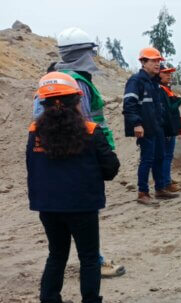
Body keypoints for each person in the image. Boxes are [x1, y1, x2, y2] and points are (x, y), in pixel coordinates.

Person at [33, 27, 125, 278]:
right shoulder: (74, 84)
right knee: (84, 221)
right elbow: (81, 127)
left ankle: (52, 298)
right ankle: (95, 266)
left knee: (59, 237)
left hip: (51, 163)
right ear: (83, 53)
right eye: (90, 52)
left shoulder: (50, 82)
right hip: (77, 160)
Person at [28, 72, 120, 303]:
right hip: (82, 205)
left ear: (43, 103)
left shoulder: (35, 131)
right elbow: (110, 168)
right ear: (76, 100)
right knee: (88, 256)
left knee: (56, 254)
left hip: (47, 206)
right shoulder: (91, 130)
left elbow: (31, 167)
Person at [123, 47, 179, 205]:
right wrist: (137, 124)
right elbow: (129, 104)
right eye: (153, 61)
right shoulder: (136, 81)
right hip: (145, 128)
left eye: (158, 61)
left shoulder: (154, 83)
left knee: (160, 157)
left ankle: (160, 188)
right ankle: (142, 193)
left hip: (157, 127)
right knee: (147, 159)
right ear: (143, 62)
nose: (157, 64)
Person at [158, 62, 181, 193]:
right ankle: (166, 183)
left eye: (170, 73)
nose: (169, 75)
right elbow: (168, 110)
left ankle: (167, 178)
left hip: (170, 126)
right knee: (166, 155)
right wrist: (179, 101)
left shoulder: (166, 88)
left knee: (168, 155)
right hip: (166, 128)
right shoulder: (160, 90)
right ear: (159, 74)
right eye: (166, 73)